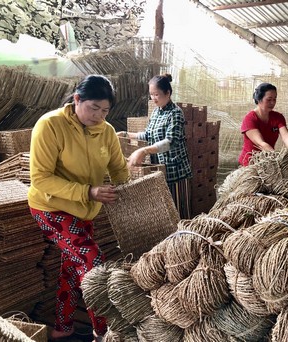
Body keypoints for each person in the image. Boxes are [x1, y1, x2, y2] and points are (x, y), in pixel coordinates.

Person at [28, 75, 130, 341]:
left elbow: (118, 168)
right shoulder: (50, 126)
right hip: (51, 209)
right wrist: (88, 192)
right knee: (93, 262)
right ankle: (104, 332)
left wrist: (128, 189)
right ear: (77, 100)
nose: (98, 115)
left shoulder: (106, 131)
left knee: (72, 267)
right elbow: (40, 178)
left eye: (105, 110)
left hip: (84, 211)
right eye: (93, 108)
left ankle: (63, 327)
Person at [118, 73, 192, 219]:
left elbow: (171, 141)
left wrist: (144, 150)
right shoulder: (157, 112)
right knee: (167, 215)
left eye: (156, 94)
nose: (153, 98)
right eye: (151, 94)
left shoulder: (175, 113)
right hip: (160, 172)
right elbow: (148, 135)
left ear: (168, 93)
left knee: (179, 214)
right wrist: (126, 134)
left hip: (175, 173)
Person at [238, 82, 288, 166]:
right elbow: (261, 144)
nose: (272, 102)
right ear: (259, 99)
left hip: (267, 161)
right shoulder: (250, 119)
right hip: (250, 164)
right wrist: (277, 158)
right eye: (269, 99)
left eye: (274, 99)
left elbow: (286, 137)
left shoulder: (278, 117)